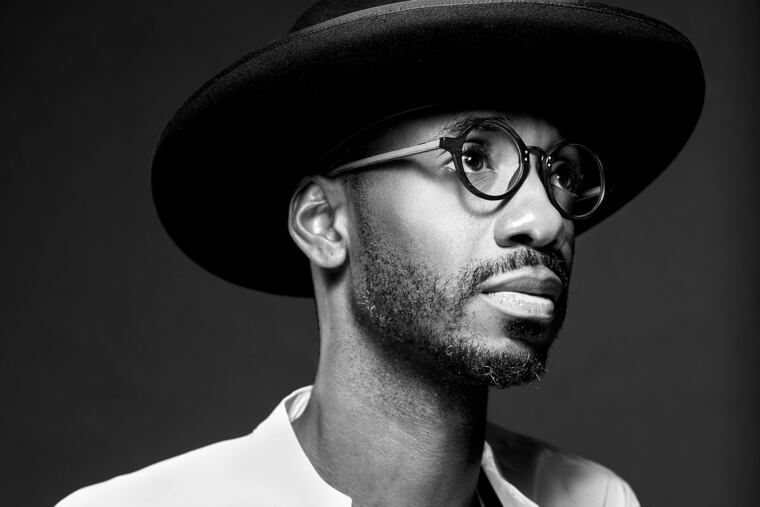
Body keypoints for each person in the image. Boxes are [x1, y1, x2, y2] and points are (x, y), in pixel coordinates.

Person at [57, 0, 704, 505]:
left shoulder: (595, 500)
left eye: (560, 172)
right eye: (474, 157)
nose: (544, 218)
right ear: (324, 223)